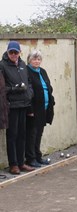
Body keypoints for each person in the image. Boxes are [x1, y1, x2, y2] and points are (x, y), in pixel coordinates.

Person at [0, 41, 35, 174]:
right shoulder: (2, 65)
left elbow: (29, 82)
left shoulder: (22, 64)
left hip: (24, 104)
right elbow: (2, 88)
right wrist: (15, 89)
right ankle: (13, 164)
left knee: (22, 134)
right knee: (12, 135)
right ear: (8, 52)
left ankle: (21, 162)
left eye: (16, 52)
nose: (14, 54)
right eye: (11, 52)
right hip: (11, 106)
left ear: (20, 52)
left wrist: (29, 93)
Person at [25, 49, 55, 167]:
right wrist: (30, 109)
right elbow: (28, 92)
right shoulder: (27, 72)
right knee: (32, 134)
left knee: (39, 134)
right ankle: (30, 159)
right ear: (29, 60)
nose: (36, 61)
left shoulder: (42, 71)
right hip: (33, 109)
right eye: (34, 59)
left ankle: (38, 156)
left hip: (44, 108)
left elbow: (48, 87)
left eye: (38, 59)